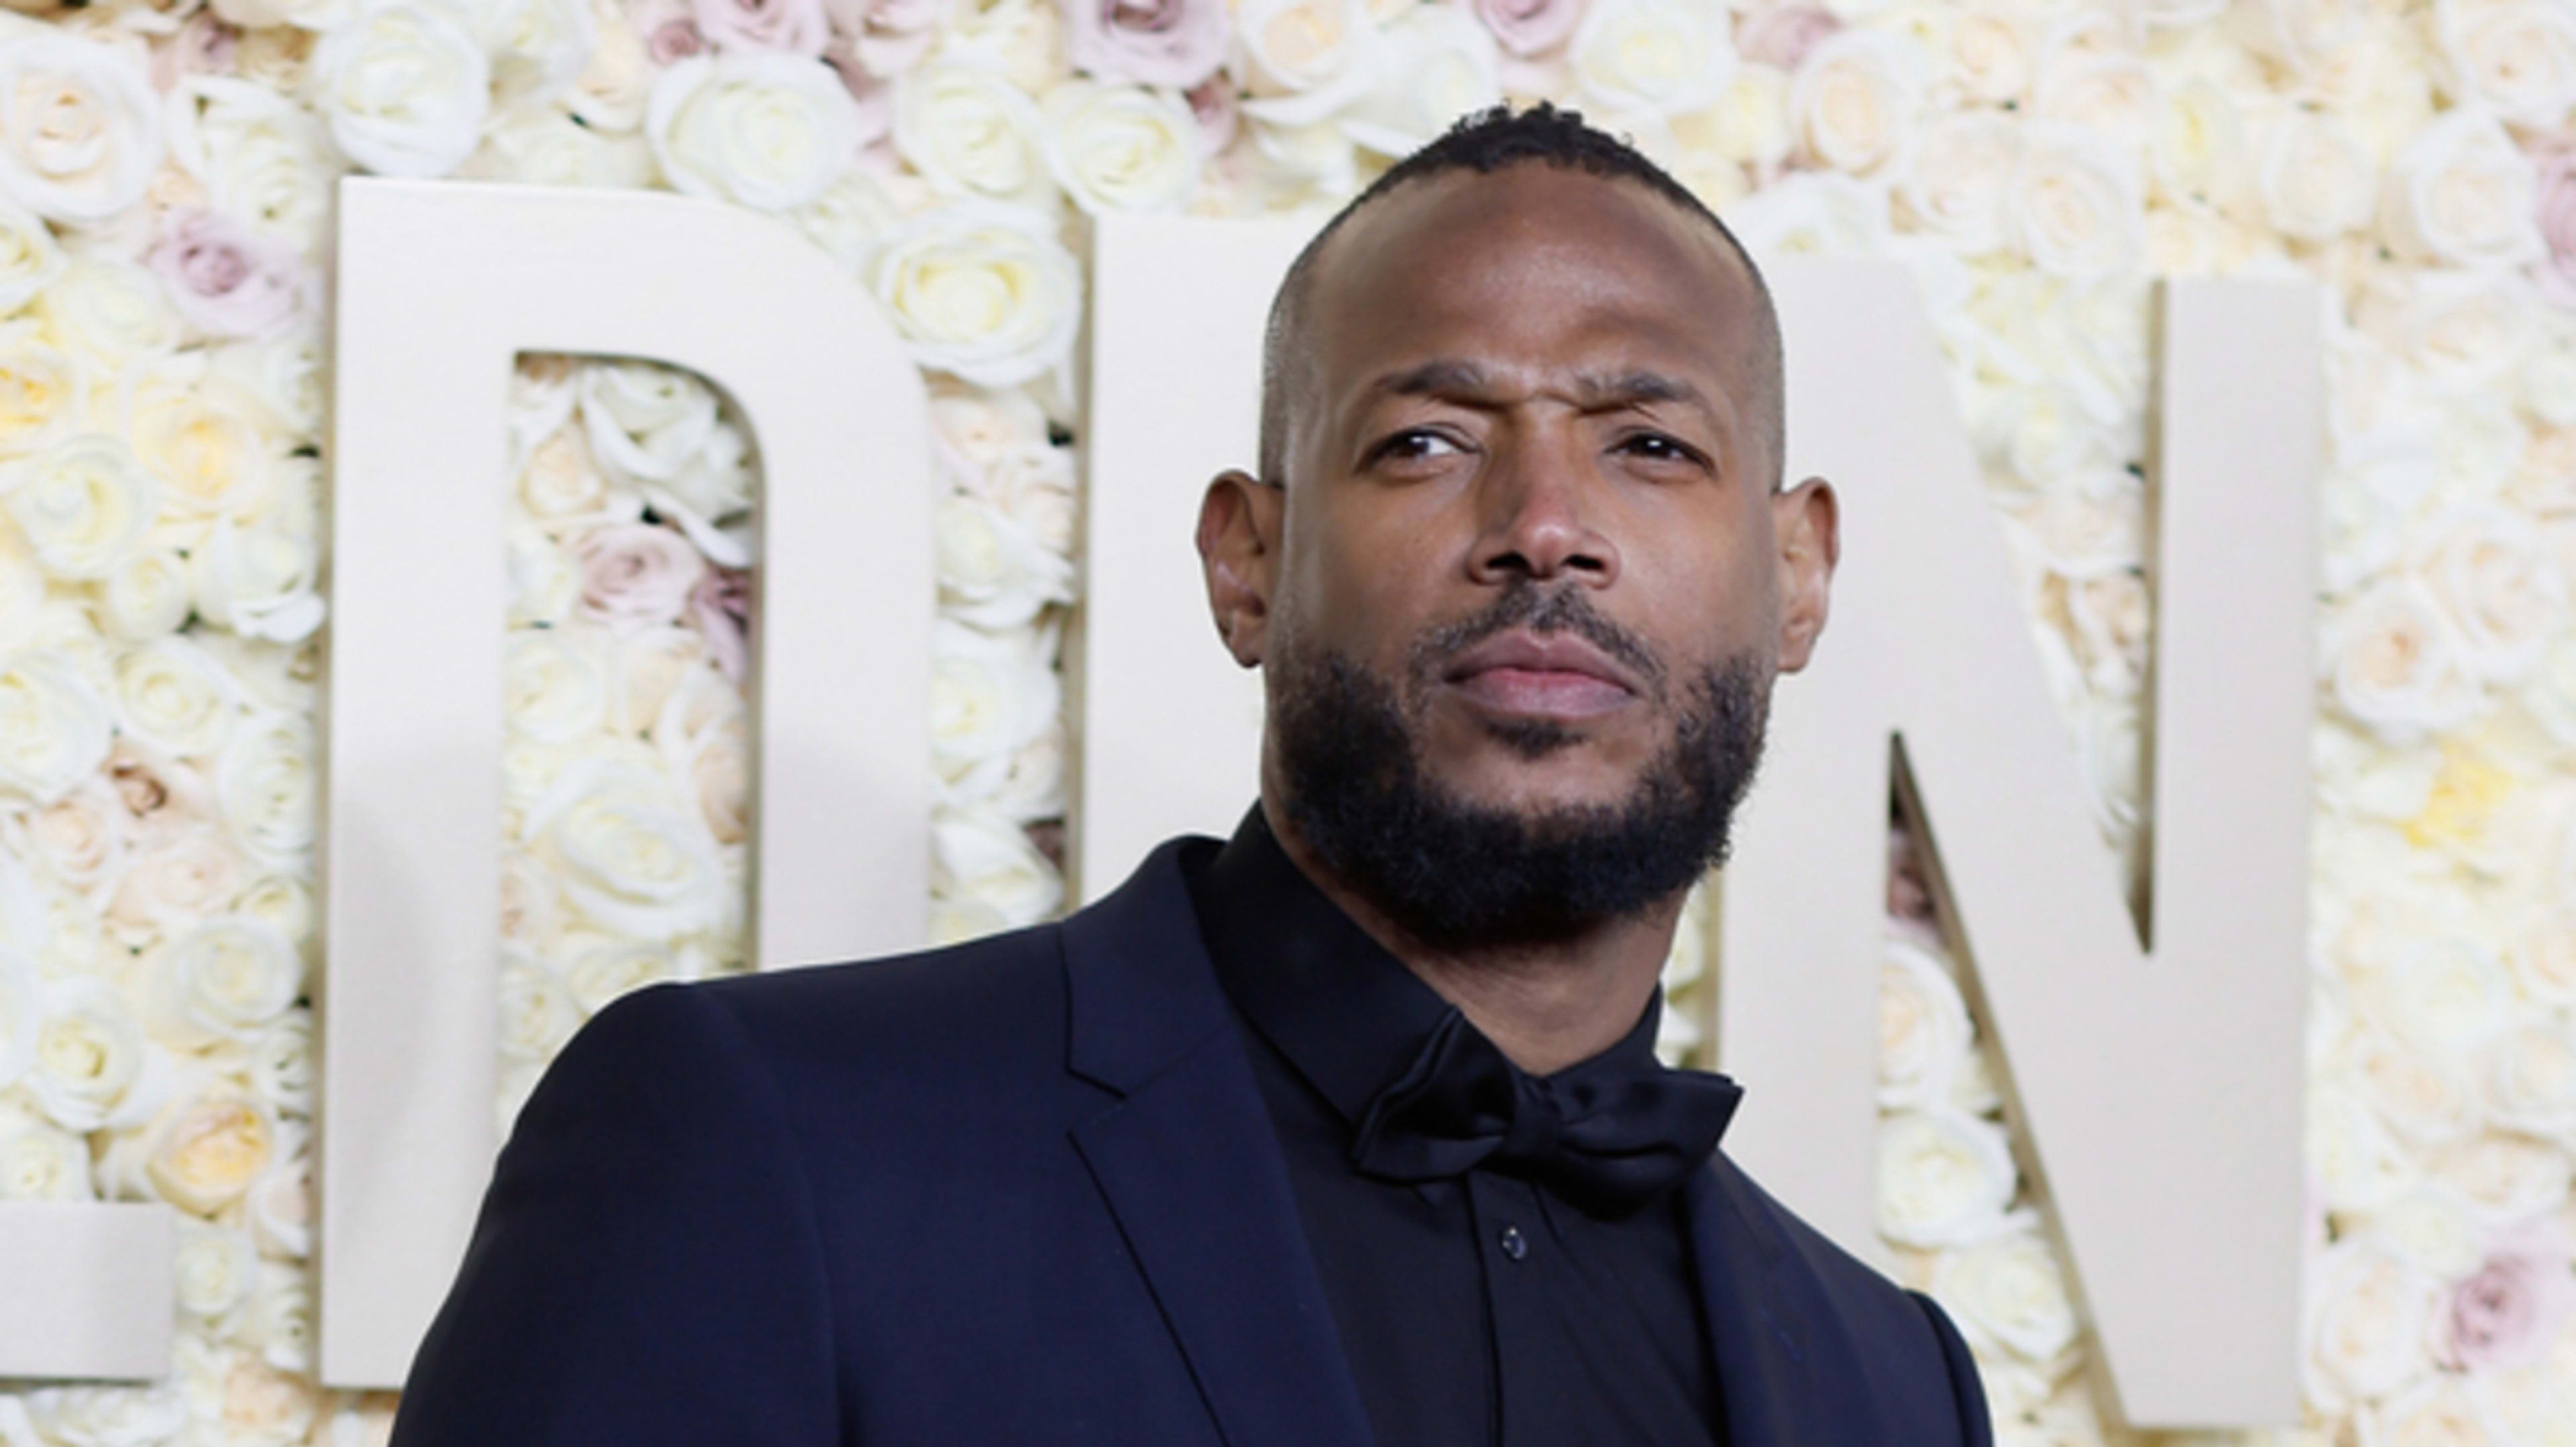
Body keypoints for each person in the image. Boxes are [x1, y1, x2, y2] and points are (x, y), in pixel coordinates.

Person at [390, 104, 1994, 1447]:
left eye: (1649, 441)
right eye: (1427, 438)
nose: (1544, 519)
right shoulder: (764, 1140)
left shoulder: (1894, 1384)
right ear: (1248, 558)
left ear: (1798, 573)